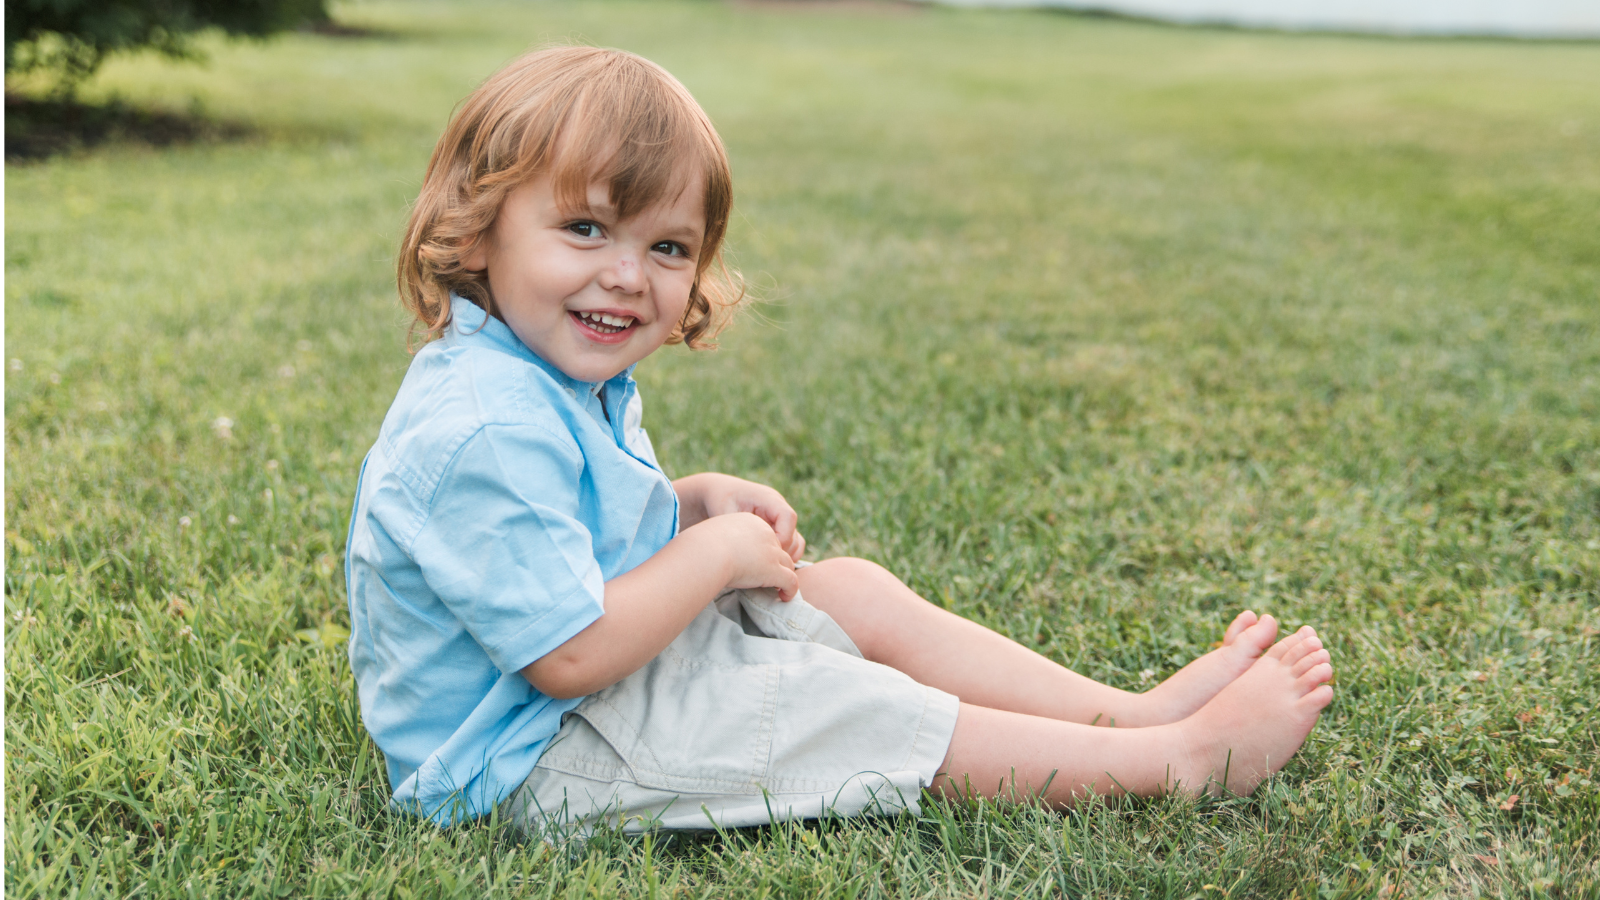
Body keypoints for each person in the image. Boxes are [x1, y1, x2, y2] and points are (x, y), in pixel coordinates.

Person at [345, 45, 1335, 834]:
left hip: (588, 692)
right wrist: (712, 551)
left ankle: (1128, 712)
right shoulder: (482, 424)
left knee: (848, 590)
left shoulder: (548, 375)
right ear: (477, 232)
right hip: (529, 758)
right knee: (827, 703)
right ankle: (1174, 765)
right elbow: (569, 652)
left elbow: (570, 537)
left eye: (667, 247)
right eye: (585, 230)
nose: (627, 275)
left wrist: (687, 502)